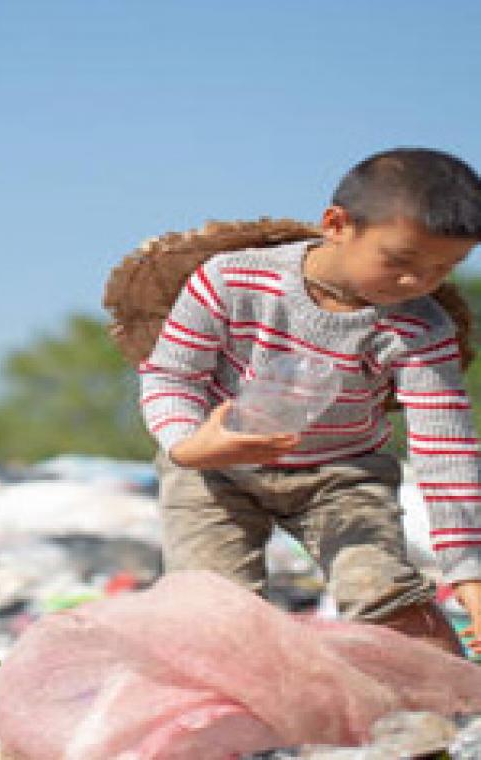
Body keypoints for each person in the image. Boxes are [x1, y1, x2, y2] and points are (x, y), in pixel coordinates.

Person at [139, 147, 481, 656]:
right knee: (210, 612)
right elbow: (171, 376)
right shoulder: (231, 280)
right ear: (337, 225)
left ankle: (446, 707)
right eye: (400, 261)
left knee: (384, 595)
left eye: (444, 268)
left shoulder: (420, 327)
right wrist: (190, 446)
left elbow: (445, 451)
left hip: (342, 474)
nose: (419, 282)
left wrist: (469, 574)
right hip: (214, 468)